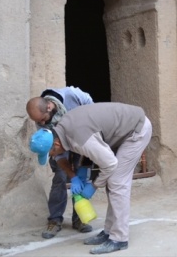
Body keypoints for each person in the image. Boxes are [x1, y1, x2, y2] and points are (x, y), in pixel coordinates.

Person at [30, 102, 152, 255]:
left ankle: (119, 239)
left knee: (117, 182)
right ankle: (109, 232)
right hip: (123, 130)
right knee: (112, 182)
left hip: (136, 130)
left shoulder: (79, 137)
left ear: (55, 143)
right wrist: (79, 175)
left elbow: (110, 163)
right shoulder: (62, 131)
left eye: (51, 154)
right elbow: (87, 151)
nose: (53, 157)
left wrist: (94, 186)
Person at [26, 87, 94, 238]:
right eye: (38, 122)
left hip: (80, 138)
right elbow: (56, 153)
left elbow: (92, 109)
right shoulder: (42, 123)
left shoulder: (72, 95)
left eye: (43, 119)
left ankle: (80, 219)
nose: (42, 123)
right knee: (60, 178)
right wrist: (69, 172)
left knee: (81, 177)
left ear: (49, 106)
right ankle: (55, 220)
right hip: (60, 145)